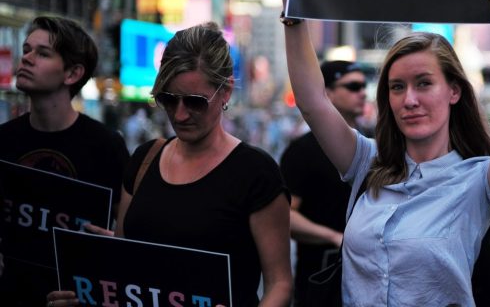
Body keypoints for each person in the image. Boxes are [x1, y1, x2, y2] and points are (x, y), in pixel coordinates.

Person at [277, 0, 490, 306]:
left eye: (424, 83)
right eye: (397, 87)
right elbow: (313, 103)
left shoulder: (478, 181)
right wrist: (292, 10)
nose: (409, 99)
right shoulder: (367, 163)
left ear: (454, 91)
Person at [47, 22, 292, 307]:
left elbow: (280, 284)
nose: (180, 114)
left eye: (195, 102)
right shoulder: (144, 159)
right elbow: (125, 269)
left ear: (225, 92)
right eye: (168, 99)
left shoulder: (255, 173)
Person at [0, 16, 129, 307]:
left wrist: (114, 245)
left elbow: (131, 238)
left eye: (43, 53)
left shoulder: (106, 147)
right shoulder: (4, 140)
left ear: (72, 74)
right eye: (27, 49)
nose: (27, 58)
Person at [280, 60, 366, 307]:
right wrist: (334, 237)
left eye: (363, 86)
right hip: (320, 276)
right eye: (352, 86)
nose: (361, 92)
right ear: (327, 93)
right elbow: (285, 216)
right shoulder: (302, 151)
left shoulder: (375, 143)